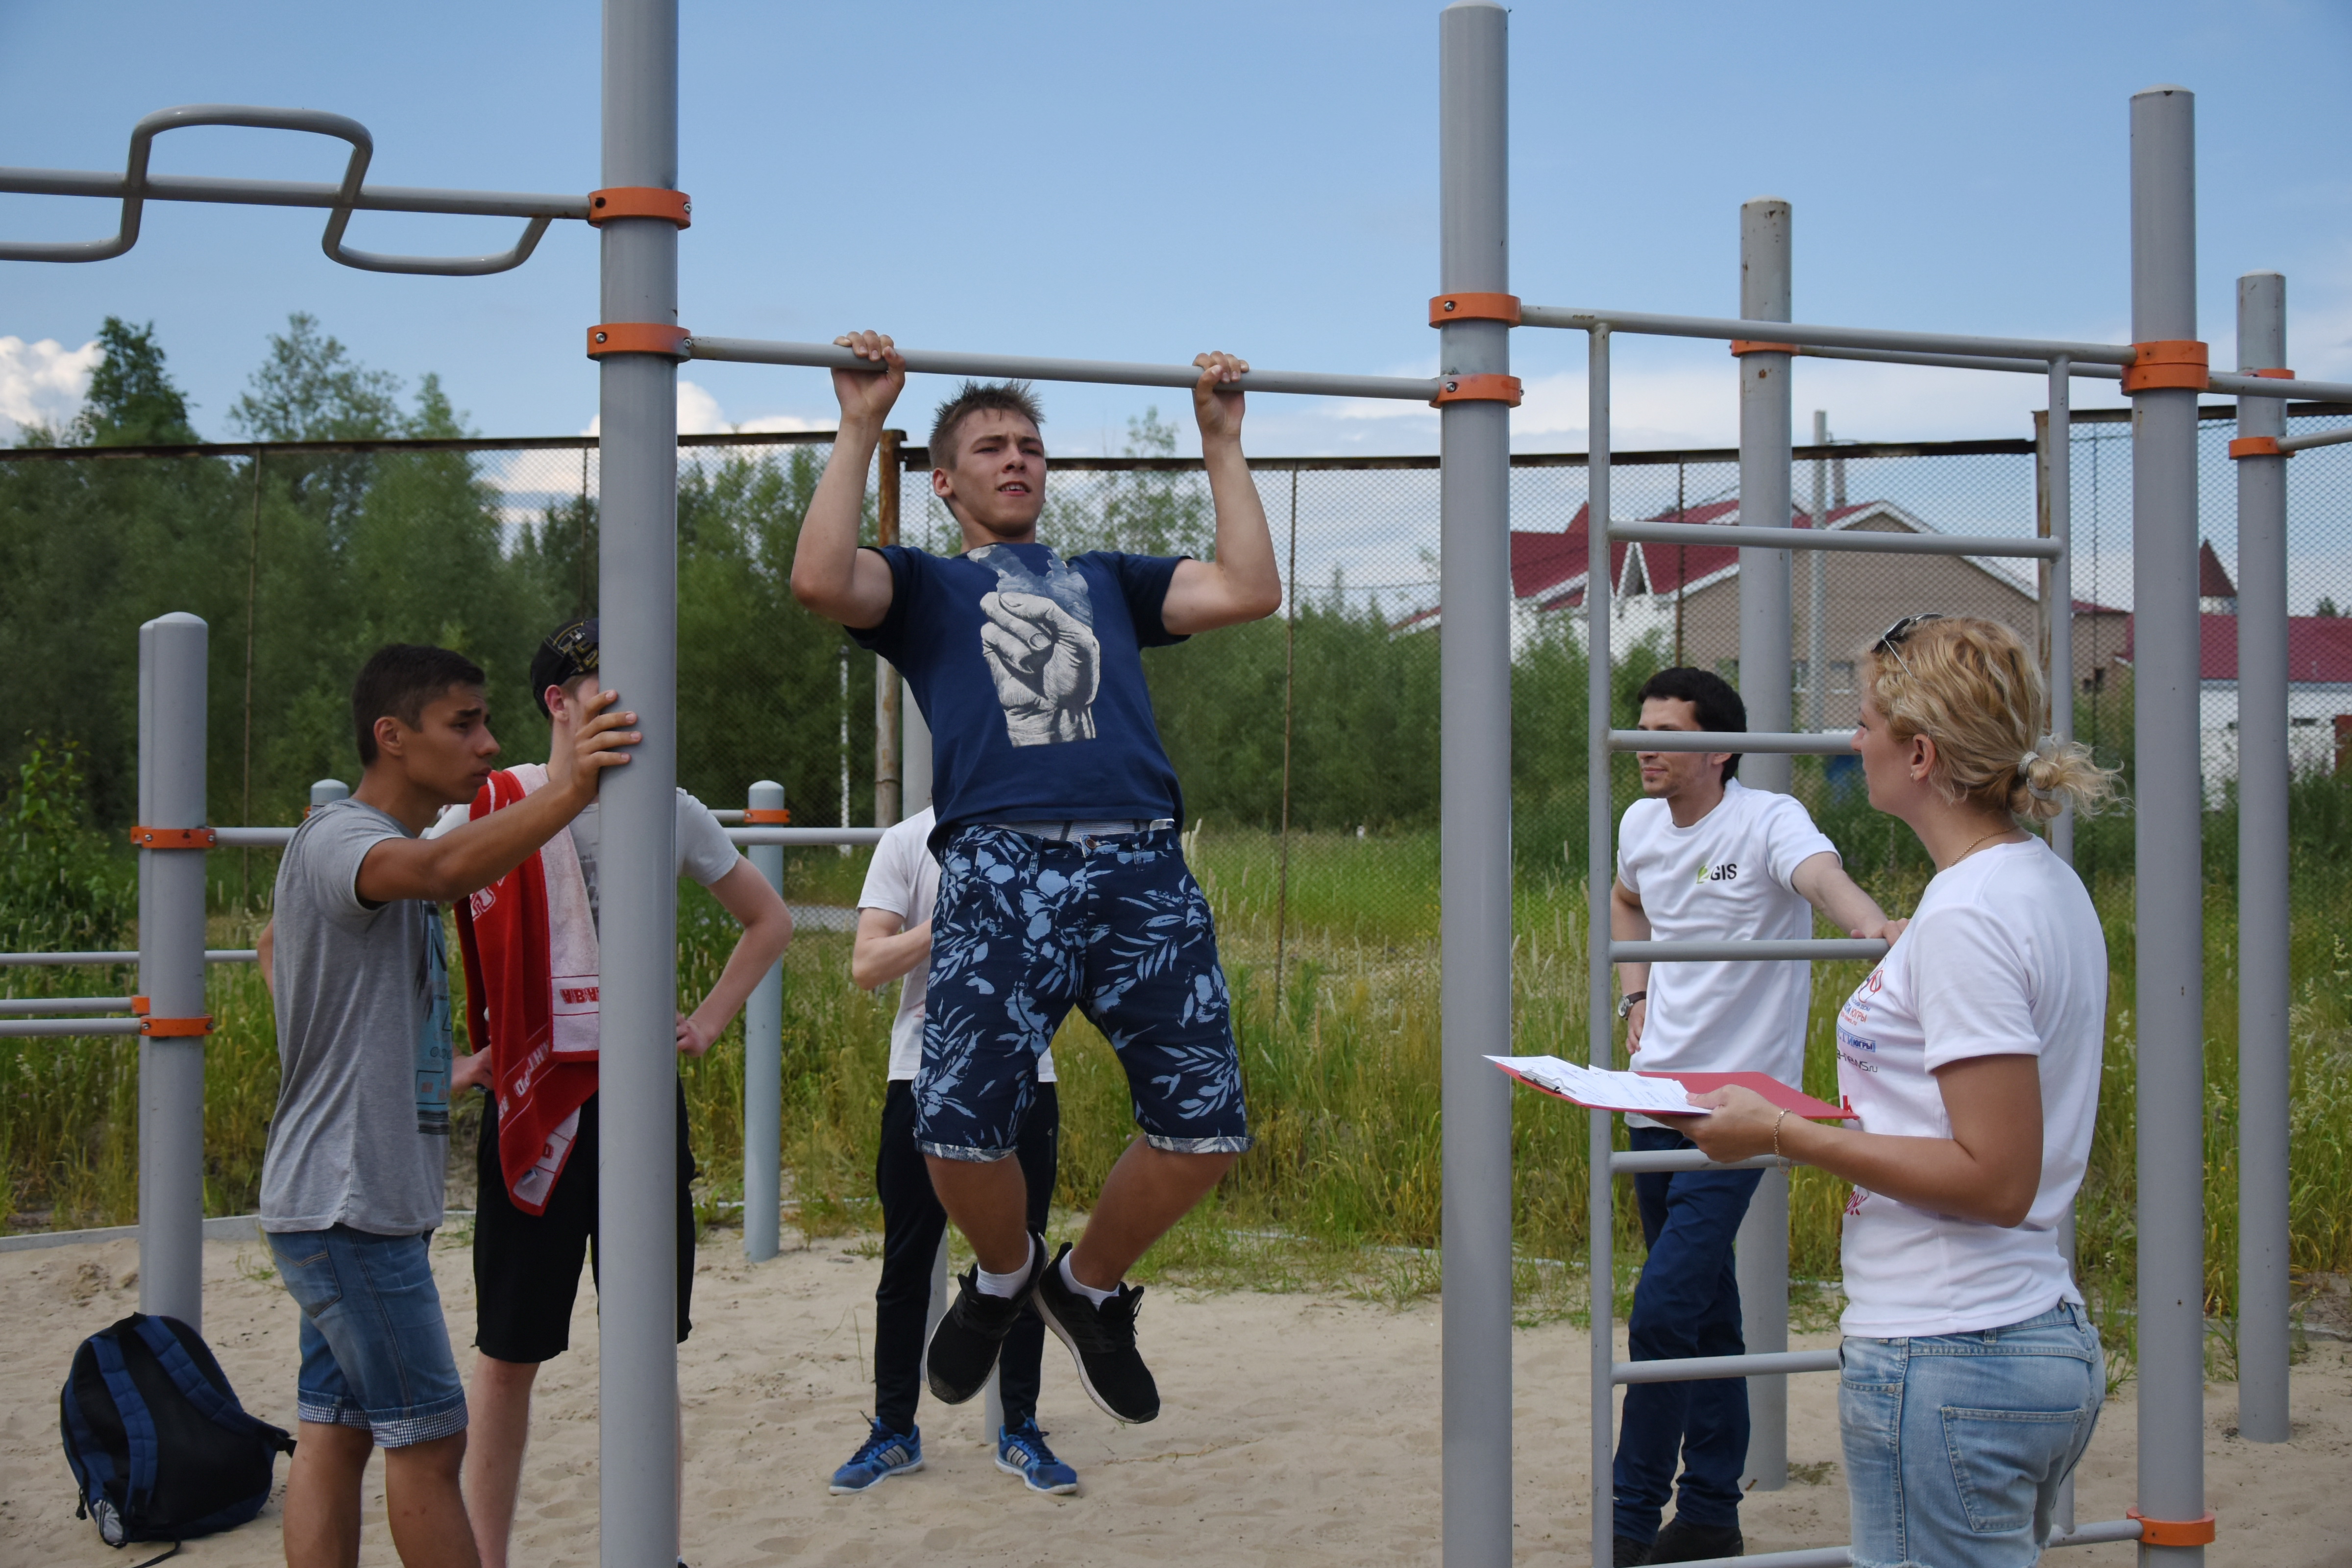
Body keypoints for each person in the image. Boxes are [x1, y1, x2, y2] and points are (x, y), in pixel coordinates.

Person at [789, 334, 1279, 1425]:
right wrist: (861, 420)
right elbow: (822, 577)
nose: (1016, 461)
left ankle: (1086, 1287)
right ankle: (1005, 1276)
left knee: (1205, 1129)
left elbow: (1250, 586)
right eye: (990, 448)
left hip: (1141, 861)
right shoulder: (924, 587)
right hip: (1004, 866)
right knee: (956, 1127)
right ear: (945, 481)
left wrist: (1222, 441)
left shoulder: (1108, 580)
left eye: (1030, 447)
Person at [1681, 615, 2115, 1568]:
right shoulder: (2036, 886)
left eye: (1868, 717)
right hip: (2014, 1331)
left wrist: (1785, 1135)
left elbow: (1996, 1175)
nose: (1852, 736)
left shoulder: (1971, 916)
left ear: (1920, 753)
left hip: (1950, 1347)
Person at [255, 643, 637, 1568]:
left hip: (337, 1200)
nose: (487, 742)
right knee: (430, 1446)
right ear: (392, 737)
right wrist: (574, 789)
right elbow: (441, 875)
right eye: (462, 723)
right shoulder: (346, 838)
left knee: (336, 1435)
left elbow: (276, 948)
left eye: (486, 720)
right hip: (353, 1207)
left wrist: (441, 1069)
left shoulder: (369, 853)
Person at [441, 618, 794, 1568]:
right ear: (557, 699)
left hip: (639, 1105)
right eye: (602, 684)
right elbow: (397, 899)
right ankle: (486, 1554)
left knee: (645, 1350)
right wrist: (442, 1056)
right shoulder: (494, 802)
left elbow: (769, 919)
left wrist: (708, 1021)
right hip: (534, 1108)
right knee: (508, 1355)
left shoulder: (667, 807)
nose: (628, 702)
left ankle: (653, 1551)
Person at [1608, 666, 1898, 1567]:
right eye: (1643, 729)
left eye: (1668, 732)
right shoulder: (1640, 826)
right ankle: (1709, 1515)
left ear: (1719, 747)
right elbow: (1625, 900)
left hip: (1738, 1111)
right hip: (1655, 1097)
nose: (1648, 746)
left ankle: (1625, 1524)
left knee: (1662, 1310)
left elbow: (1822, 879)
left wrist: (1869, 927)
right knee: (1705, 1315)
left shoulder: (1766, 819)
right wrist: (1636, 995)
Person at [829, 802, 1077, 1496]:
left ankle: (1020, 1427)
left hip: (1024, 1070)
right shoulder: (909, 841)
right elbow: (867, 964)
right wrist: (947, 927)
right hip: (921, 1071)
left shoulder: (1042, 834)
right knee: (907, 1260)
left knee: (1021, 1253)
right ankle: (894, 1430)